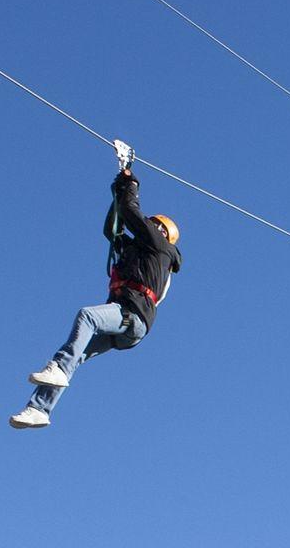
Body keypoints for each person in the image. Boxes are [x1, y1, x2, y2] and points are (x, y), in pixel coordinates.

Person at [10, 164, 181, 428]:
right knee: (78, 355)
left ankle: (57, 367)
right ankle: (39, 410)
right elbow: (113, 230)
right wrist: (117, 193)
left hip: (131, 315)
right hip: (129, 324)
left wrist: (131, 184)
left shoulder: (159, 247)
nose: (148, 225)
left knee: (87, 316)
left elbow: (131, 212)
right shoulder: (141, 250)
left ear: (161, 233)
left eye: (153, 224)